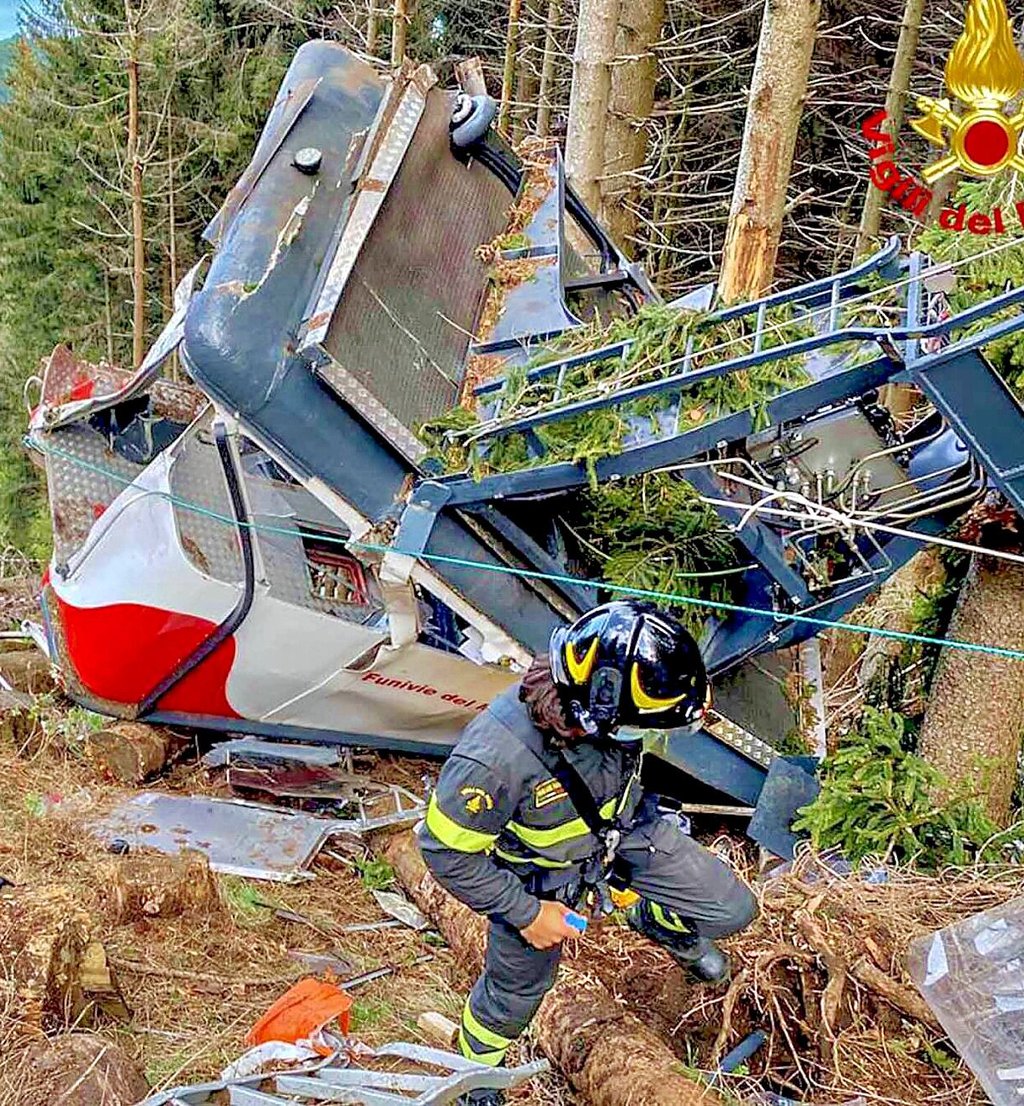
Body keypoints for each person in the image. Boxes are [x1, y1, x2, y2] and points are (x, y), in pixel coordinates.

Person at [417, 600, 757, 1104]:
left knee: (731, 908)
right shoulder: (494, 761)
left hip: (622, 833)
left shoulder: (605, 695)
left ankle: (656, 919)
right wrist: (527, 913)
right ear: (594, 716)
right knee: (512, 997)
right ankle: (474, 1080)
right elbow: (445, 852)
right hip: (538, 878)